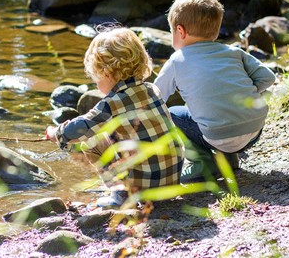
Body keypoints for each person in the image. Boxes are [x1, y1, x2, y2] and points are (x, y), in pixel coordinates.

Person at [45, 27, 184, 207]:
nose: (96, 83)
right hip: (171, 178)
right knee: (118, 135)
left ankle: (121, 194)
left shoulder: (112, 103)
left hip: (147, 185)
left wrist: (57, 133)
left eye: (96, 78)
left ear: (107, 74)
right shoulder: (151, 89)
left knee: (91, 143)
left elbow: (83, 126)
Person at [154, 0, 276, 183]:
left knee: (174, 113)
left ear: (180, 31)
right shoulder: (233, 52)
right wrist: (245, 92)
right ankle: (228, 159)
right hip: (254, 130)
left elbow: (155, 98)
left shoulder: (177, 60)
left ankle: (202, 162)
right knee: (205, 111)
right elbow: (268, 78)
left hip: (217, 135)